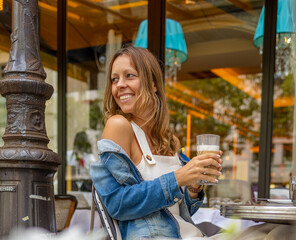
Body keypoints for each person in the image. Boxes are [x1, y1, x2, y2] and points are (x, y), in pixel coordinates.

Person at [90, 45, 223, 240]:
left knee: (271, 232)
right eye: (114, 79)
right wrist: (178, 178)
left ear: (153, 84)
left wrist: (194, 186)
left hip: (188, 235)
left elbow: (176, 215)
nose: (119, 85)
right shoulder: (119, 125)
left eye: (129, 76)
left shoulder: (169, 140)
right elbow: (117, 204)